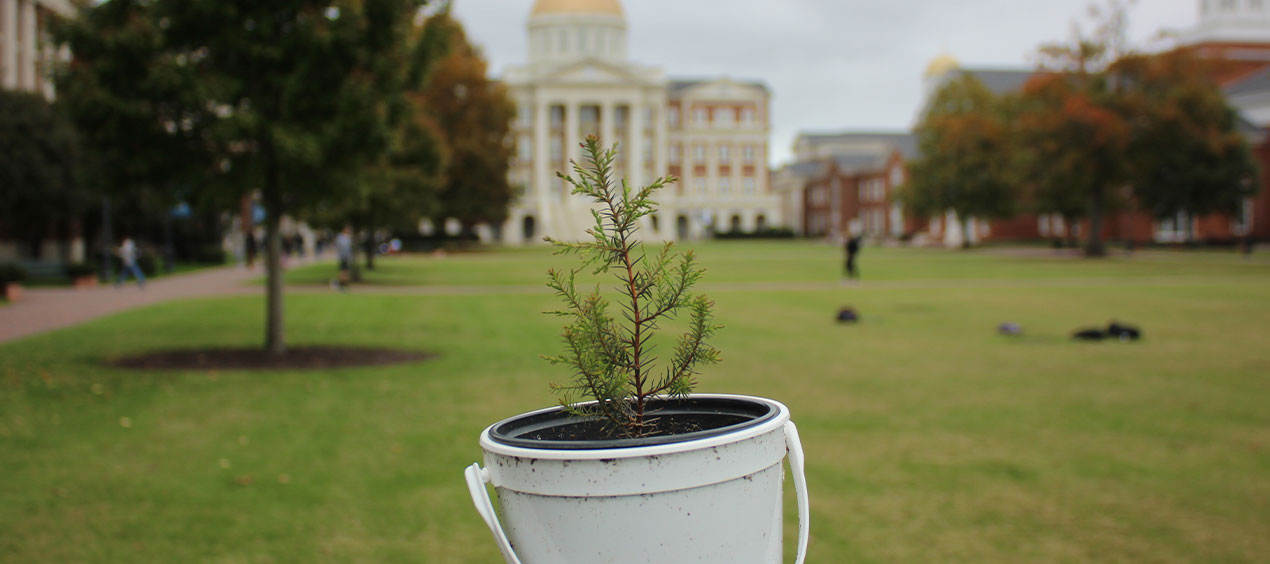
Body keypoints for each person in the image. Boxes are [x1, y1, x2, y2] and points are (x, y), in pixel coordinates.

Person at [333, 226, 354, 292]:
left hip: (347, 257)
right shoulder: (341, 237)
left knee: (347, 272)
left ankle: (344, 285)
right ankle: (340, 284)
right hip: (343, 257)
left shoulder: (348, 238)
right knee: (343, 272)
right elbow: (340, 246)